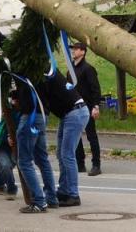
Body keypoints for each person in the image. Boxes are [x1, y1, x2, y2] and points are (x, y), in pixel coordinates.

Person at [42, 69, 90, 208]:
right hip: (69, 113)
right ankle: (64, 190)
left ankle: (73, 195)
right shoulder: (46, 72)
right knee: (61, 154)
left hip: (75, 112)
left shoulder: (46, 74)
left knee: (67, 154)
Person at [14, 69, 57, 214]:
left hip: (30, 117)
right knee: (42, 159)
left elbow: (25, 94)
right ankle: (51, 198)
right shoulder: (42, 70)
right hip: (42, 115)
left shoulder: (23, 70)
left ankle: (39, 201)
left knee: (24, 161)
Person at [70, 42, 102, 176]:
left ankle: (96, 165)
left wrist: (95, 106)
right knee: (76, 136)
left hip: (87, 107)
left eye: (76, 49)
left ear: (83, 52)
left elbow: (95, 88)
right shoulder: (71, 70)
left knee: (91, 136)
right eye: (73, 49)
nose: (73, 51)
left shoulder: (88, 69)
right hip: (75, 107)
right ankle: (80, 163)